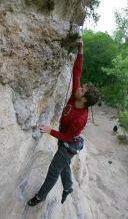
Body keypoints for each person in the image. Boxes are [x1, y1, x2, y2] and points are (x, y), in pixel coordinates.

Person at [28, 40, 100, 207]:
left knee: (54, 171)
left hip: (69, 145)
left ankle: (40, 197)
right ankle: (68, 187)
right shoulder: (77, 95)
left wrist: (49, 130)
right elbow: (77, 72)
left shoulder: (80, 119)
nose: (79, 88)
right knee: (64, 166)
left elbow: (68, 137)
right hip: (65, 136)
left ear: (84, 100)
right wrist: (81, 51)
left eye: (82, 90)